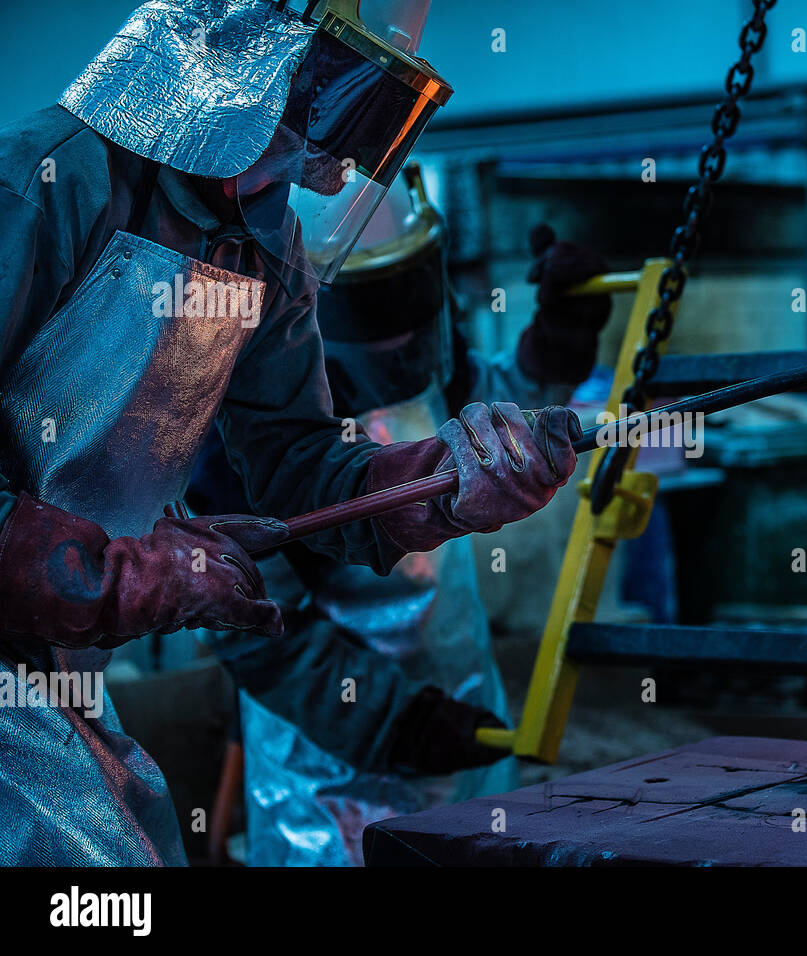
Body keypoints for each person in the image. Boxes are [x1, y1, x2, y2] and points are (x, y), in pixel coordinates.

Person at [0, 0, 579, 865]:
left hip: (51, 654)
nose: (332, 175)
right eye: (322, 108)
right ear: (225, 60)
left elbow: (300, 464)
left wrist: (445, 488)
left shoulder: (262, 250)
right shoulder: (50, 181)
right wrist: (103, 573)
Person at [191, 165, 612, 864]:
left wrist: (557, 342)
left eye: (405, 294)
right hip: (334, 773)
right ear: (301, 305)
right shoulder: (243, 441)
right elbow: (258, 632)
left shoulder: (430, 370)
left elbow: (491, 401)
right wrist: (390, 721)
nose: (398, 340)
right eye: (371, 307)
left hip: (466, 715)